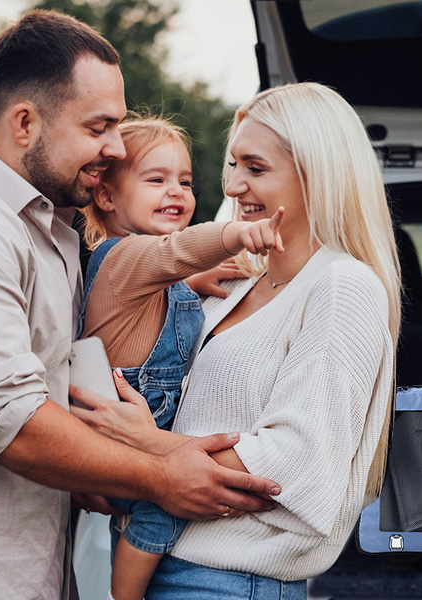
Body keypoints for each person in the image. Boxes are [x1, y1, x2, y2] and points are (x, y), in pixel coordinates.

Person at [0, 11, 281, 599]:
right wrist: (160, 476)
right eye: (99, 128)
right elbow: (6, 420)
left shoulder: (45, 228)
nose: (115, 148)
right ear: (24, 122)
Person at [70, 82, 402, 599]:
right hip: (159, 565)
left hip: (227, 581)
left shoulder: (343, 285)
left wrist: (145, 447)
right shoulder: (234, 285)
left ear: (317, 175)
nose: (232, 186)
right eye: (232, 166)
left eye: (256, 168)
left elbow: (298, 458)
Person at [74, 117, 283, 600]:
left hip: (139, 432)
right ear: (106, 197)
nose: (177, 192)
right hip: (119, 441)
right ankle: (123, 596)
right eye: (156, 180)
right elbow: (173, 253)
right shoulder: (123, 256)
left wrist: (188, 287)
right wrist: (233, 234)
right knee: (161, 506)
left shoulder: (149, 273)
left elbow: (159, 282)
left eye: (185, 181)